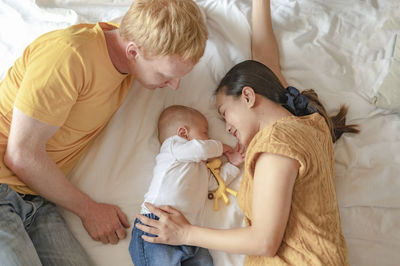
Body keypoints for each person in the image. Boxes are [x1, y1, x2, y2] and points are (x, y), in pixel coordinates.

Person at [134, 0, 360, 265]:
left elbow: (264, 241)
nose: (226, 127)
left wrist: (185, 232)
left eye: (224, 112)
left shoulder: (277, 143)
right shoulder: (310, 123)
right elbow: (266, 65)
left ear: (248, 96)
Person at [0, 0, 207, 265]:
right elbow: (20, 155)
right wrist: (89, 210)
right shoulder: (69, 57)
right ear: (133, 51)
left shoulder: (131, 44)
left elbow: (165, 14)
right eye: (166, 76)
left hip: (36, 198)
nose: (174, 86)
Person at [129, 105, 244, 266]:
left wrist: (233, 165)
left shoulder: (201, 168)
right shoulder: (172, 148)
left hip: (189, 231)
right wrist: (219, 146)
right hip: (157, 223)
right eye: (205, 133)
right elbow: (200, 149)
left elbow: (215, 184)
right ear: (183, 133)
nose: (209, 138)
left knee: (205, 262)